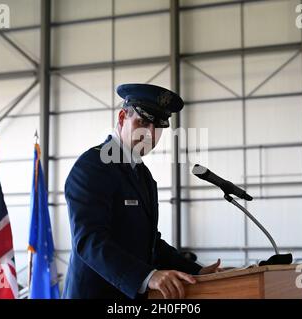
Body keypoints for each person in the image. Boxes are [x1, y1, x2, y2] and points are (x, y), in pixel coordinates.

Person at [63, 83, 221, 299]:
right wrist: (148, 276)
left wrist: (197, 272)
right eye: (143, 122)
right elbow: (90, 241)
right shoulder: (93, 166)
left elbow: (150, 242)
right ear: (121, 118)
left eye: (158, 127)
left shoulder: (143, 176)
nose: (150, 134)